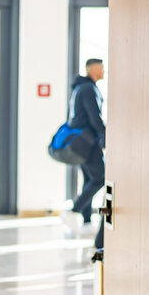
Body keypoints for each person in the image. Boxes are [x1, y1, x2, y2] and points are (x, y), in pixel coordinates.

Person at [60, 58, 106, 249]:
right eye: (102, 68)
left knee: (89, 179)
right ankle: (73, 211)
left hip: (82, 143)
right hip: (88, 142)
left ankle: (86, 221)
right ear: (93, 70)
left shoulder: (81, 87)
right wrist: (105, 137)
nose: (104, 71)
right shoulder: (88, 89)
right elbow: (94, 117)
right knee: (99, 178)